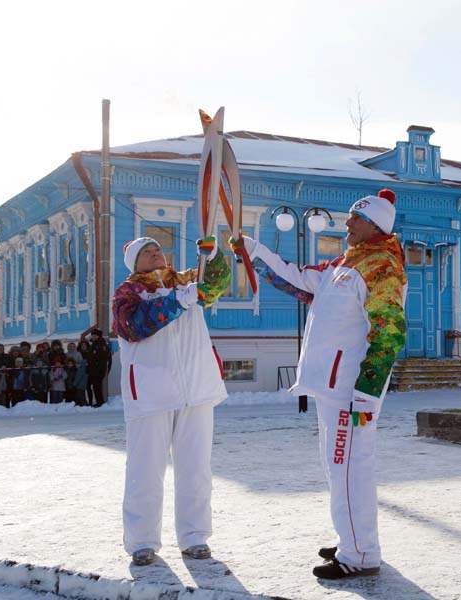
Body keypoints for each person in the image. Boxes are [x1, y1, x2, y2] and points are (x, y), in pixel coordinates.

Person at [241, 188, 407, 579]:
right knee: (338, 466)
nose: (347, 223)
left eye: (355, 218)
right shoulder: (344, 264)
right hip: (331, 385)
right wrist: (252, 250)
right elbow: (295, 278)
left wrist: (367, 390)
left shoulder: (382, 266)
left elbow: (389, 331)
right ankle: (353, 537)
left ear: (375, 225)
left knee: (350, 466)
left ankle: (360, 554)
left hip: (352, 388)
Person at [111, 235, 230, 566]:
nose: (155, 253)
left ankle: (194, 537)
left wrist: (214, 254)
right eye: (146, 252)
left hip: (196, 388)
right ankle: (141, 541)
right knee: (145, 470)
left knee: (196, 468)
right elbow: (135, 326)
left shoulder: (187, 281)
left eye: (157, 249)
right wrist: (180, 300)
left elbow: (219, 282)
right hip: (151, 393)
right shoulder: (127, 293)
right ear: (135, 263)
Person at [83, 328, 112, 407]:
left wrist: (99, 369)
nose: (93, 337)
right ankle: (92, 401)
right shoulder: (94, 344)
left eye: (95, 335)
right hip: (92, 370)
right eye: (92, 335)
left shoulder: (102, 344)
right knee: (89, 386)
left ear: (98, 336)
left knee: (97, 387)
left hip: (98, 370)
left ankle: (100, 402)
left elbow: (103, 358)